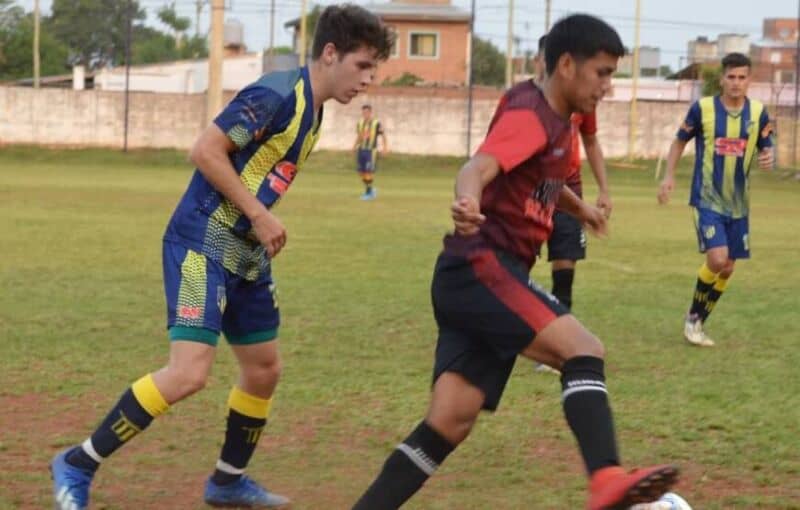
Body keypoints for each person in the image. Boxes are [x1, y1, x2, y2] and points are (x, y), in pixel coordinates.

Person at [50, 6, 394, 510]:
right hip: (201, 242)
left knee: (264, 368)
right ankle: (78, 462)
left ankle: (228, 481)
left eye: (373, 69)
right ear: (329, 53)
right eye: (362, 65)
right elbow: (206, 150)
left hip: (247, 253)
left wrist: (257, 225)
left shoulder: (314, 111)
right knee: (188, 373)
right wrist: (259, 213)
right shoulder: (276, 93)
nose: (368, 79)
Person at [352, 14, 677, 510]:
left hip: (475, 276)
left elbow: (541, 181)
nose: (608, 86)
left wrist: (582, 210)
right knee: (583, 349)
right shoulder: (531, 116)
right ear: (566, 65)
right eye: (602, 73)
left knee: (449, 422)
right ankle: (607, 479)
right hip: (482, 267)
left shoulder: (556, 119)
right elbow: (478, 166)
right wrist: (467, 199)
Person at [658, 52, 773, 347]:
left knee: (728, 267)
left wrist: (768, 156)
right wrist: (668, 176)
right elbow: (679, 142)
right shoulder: (703, 109)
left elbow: (766, 146)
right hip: (707, 199)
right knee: (717, 258)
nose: (736, 83)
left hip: (739, 204)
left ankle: (698, 322)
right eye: (731, 77)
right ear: (722, 79)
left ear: (749, 80)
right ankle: (693, 319)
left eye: (742, 77)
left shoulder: (758, 113)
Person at [532, 34, 612, 374]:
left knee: (564, 267)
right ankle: (509, 334)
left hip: (571, 190)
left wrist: (604, 189)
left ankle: (557, 345)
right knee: (516, 265)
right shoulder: (524, 100)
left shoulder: (579, 102)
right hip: (532, 190)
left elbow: (590, 142)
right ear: (539, 60)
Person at [354, 103, 388, 200]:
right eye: (363, 112)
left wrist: (385, 148)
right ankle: (371, 190)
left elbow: (383, 135)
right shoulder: (360, 123)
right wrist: (354, 146)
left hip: (371, 151)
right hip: (361, 150)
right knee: (361, 172)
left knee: (368, 172)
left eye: (367, 112)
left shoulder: (376, 123)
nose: (365, 114)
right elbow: (359, 136)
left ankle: (369, 193)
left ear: (370, 112)